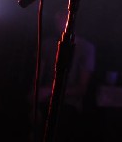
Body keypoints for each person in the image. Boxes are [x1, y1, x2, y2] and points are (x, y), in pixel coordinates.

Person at [32, 8, 96, 142]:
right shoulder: (47, 44)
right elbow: (37, 76)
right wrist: (35, 100)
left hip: (68, 106)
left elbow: (81, 89)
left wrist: (50, 91)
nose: (58, 19)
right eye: (57, 15)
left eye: (62, 16)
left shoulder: (86, 48)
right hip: (44, 102)